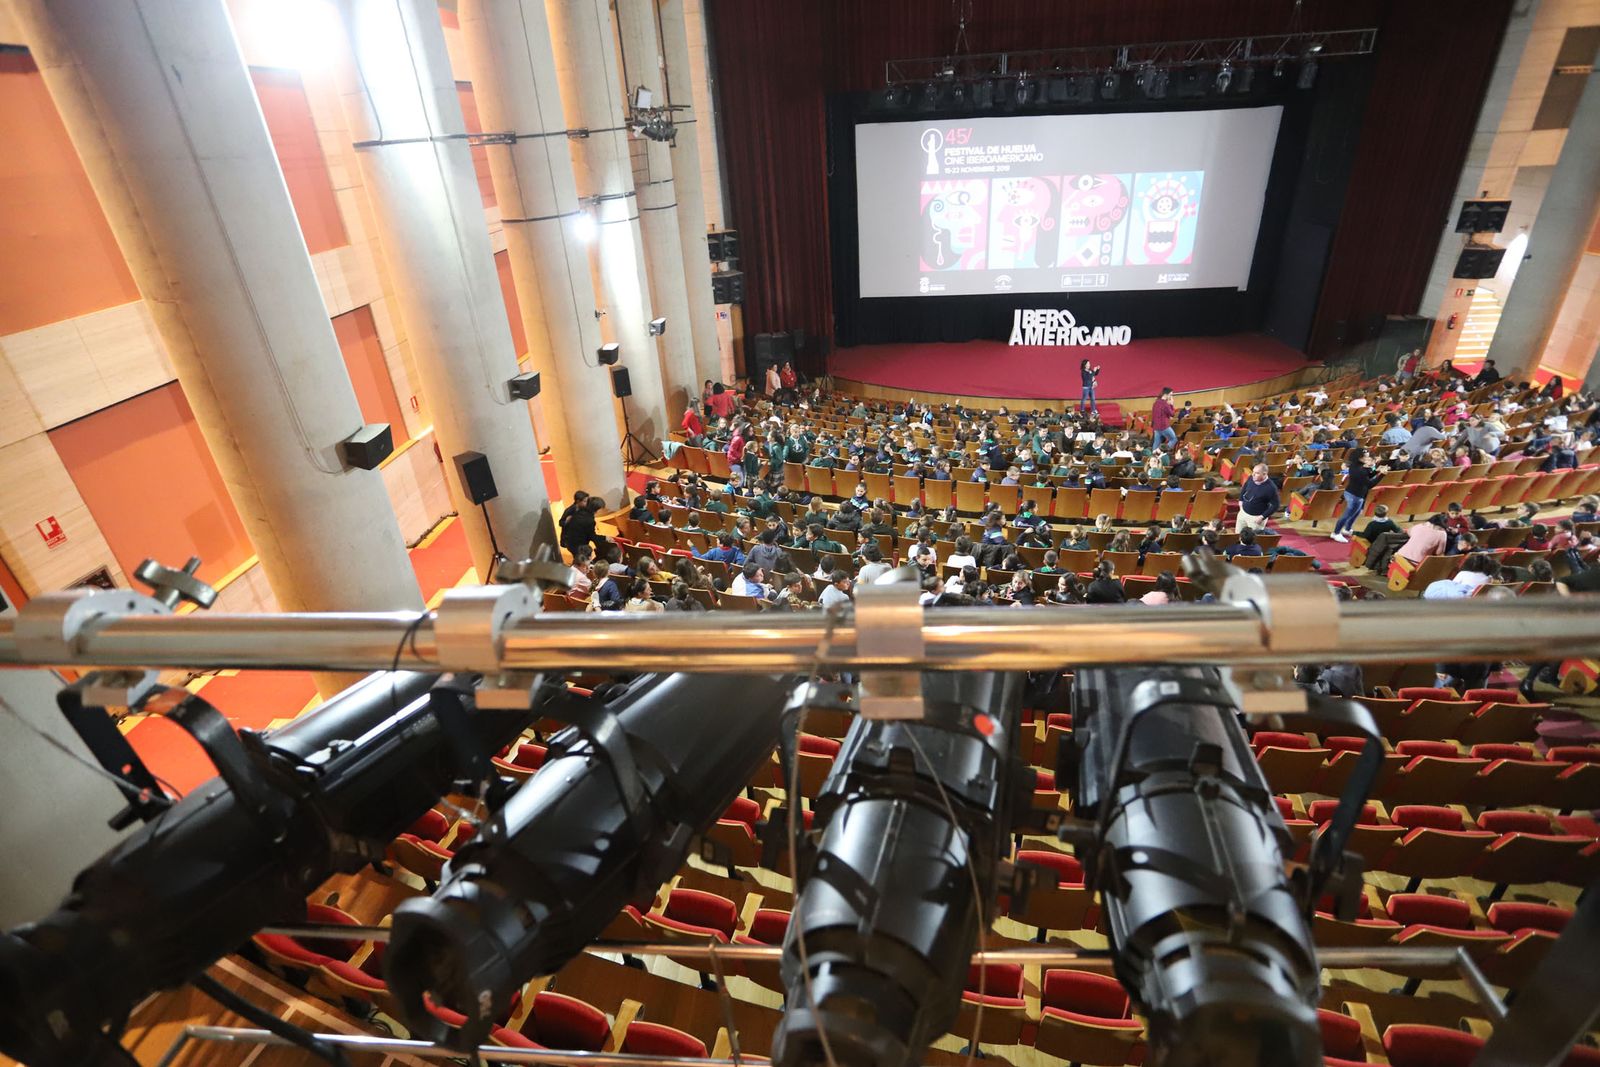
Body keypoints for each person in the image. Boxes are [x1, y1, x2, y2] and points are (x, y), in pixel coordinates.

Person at [1330, 447, 1378, 543]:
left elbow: (1368, 475)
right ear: (1359, 457)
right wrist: (1382, 475)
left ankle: (1347, 529)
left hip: (1359, 494)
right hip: (1353, 494)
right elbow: (1370, 484)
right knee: (1347, 515)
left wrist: (1377, 471)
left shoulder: (1360, 465)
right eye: (1365, 457)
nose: (1367, 459)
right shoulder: (1359, 469)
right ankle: (1336, 533)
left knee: (1355, 514)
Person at [1235, 464, 1280, 533]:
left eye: (1257, 473)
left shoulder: (1271, 488)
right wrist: (1240, 500)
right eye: (1253, 472)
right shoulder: (1251, 478)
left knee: (1252, 540)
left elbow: (1275, 505)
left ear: (1264, 474)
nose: (1253, 474)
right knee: (1237, 534)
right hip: (1243, 512)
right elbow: (1245, 487)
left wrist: (1262, 517)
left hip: (1256, 518)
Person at [560, 495, 607, 559]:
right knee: (583, 560)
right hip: (578, 545)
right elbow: (592, 536)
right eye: (601, 509)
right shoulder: (589, 520)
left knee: (578, 559)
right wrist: (604, 538)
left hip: (568, 541)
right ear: (596, 509)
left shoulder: (578, 510)